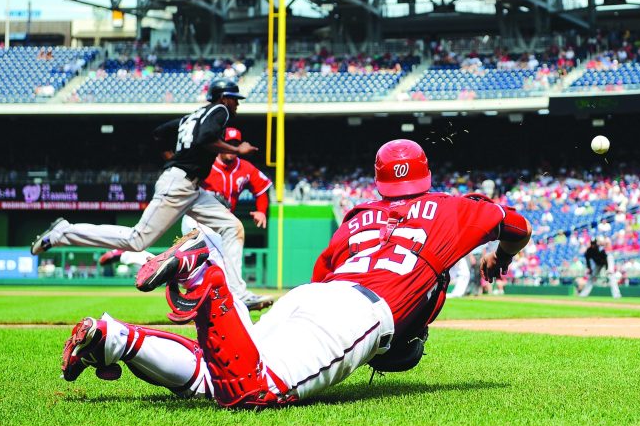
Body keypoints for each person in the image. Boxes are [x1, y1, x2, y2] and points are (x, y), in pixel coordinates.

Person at [60, 139, 531, 408]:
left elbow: (321, 275)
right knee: (252, 392)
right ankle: (210, 265)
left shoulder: (355, 217)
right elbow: (518, 227)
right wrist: (500, 258)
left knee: (218, 373)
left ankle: (114, 338)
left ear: (379, 181)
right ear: (426, 175)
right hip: (364, 311)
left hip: (312, 296)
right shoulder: (456, 209)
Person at [31, 79, 263, 307]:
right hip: (178, 185)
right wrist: (236, 149)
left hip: (191, 188)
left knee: (233, 227)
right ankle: (64, 233)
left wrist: (174, 160)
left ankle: (238, 293)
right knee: (137, 239)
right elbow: (205, 138)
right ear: (223, 97)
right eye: (234, 99)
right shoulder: (219, 110)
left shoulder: (193, 116)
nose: (237, 105)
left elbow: (160, 133)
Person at [100, 126, 274, 310]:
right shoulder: (207, 161)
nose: (231, 146)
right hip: (199, 218)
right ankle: (240, 296)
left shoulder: (245, 168)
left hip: (221, 223)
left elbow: (262, 188)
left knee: (192, 274)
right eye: (228, 143)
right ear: (221, 143)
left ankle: (130, 256)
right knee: (221, 261)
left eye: (235, 144)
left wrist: (261, 210)